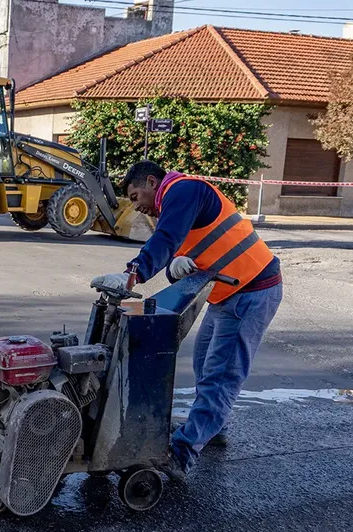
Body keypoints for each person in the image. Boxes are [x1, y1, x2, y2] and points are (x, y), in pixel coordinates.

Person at [91, 161, 282, 479]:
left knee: (220, 378)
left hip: (252, 292)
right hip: (227, 293)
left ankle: (181, 454)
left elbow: (165, 240)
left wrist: (131, 276)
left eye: (137, 196)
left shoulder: (183, 190)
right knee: (204, 365)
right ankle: (212, 426)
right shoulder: (178, 202)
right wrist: (174, 267)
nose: (138, 206)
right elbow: (180, 248)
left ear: (153, 182)